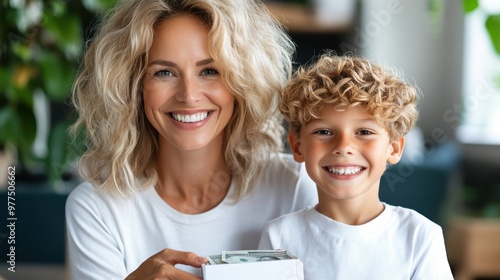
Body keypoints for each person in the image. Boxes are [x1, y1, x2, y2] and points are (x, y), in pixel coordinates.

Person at [65, 0, 318, 279]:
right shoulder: (97, 209)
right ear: (133, 87)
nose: (188, 95)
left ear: (243, 81)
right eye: (164, 72)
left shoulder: (297, 186)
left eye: (209, 71)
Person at [258, 53, 454, 279]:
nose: (343, 147)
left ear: (394, 148)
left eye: (364, 132)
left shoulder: (420, 236)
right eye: (324, 132)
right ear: (298, 147)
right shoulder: (279, 237)